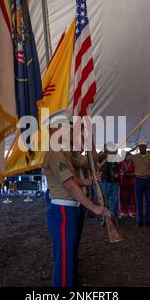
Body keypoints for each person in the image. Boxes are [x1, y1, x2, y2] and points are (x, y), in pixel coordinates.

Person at [42, 111, 111, 287]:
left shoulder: (66, 150)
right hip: (63, 210)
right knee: (65, 260)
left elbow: (89, 162)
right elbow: (70, 185)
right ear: (55, 129)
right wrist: (93, 207)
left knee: (70, 256)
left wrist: (91, 140)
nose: (71, 132)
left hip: (71, 208)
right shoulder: (55, 151)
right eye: (67, 128)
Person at [126, 140, 150, 227]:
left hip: (148, 180)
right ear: (138, 147)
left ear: (146, 147)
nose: (142, 147)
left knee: (148, 202)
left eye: (143, 146)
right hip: (138, 180)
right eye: (140, 146)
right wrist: (132, 149)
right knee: (138, 201)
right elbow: (125, 157)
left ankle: (148, 221)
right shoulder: (134, 157)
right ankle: (139, 221)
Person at [99, 142, 121, 218]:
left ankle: (112, 216)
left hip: (115, 181)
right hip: (105, 181)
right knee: (105, 200)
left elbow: (119, 164)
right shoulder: (101, 156)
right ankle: (104, 217)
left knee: (114, 200)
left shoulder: (116, 156)